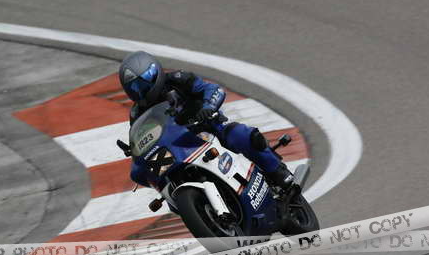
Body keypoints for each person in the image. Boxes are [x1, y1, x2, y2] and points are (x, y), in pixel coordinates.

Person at [119, 51, 296, 194]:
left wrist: (208, 106)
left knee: (241, 135)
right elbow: (141, 135)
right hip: (178, 147)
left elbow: (212, 89)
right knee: (166, 185)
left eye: (144, 82)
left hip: (207, 128)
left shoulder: (178, 79)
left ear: (155, 73)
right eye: (135, 87)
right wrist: (135, 151)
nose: (141, 89)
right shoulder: (136, 113)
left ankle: (278, 172)